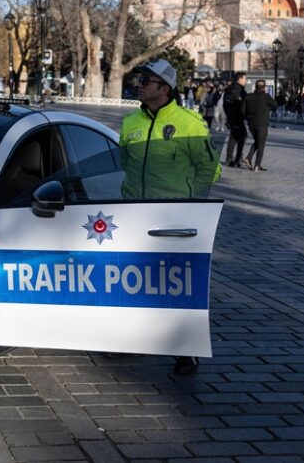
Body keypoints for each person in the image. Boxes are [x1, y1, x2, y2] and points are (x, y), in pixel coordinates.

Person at [119, 59, 221, 375]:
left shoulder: (189, 123)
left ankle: (185, 350)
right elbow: (124, 161)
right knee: (133, 281)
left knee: (178, 286)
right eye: (139, 79)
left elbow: (210, 168)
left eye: (146, 80)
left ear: (164, 88)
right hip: (135, 214)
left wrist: (192, 204)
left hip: (175, 218)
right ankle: (133, 341)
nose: (139, 84)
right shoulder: (129, 122)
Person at [242, 79, 277, 172]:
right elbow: (275, 105)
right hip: (262, 124)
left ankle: (248, 158)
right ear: (264, 87)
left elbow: (242, 110)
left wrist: (248, 118)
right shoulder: (266, 97)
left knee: (257, 141)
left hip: (251, 124)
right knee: (261, 144)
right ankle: (257, 165)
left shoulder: (248, 97)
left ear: (255, 86)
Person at [223, 72, 248, 168]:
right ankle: (236, 158)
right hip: (236, 116)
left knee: (234, 136)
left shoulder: (230, 89)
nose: (246, 81)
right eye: (244, 79)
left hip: (232, 116)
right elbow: (240, 104)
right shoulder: (237, 90)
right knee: (242, 136)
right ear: (239, 79)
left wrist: (228, 115)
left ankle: (233, 157)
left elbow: (225, 104)